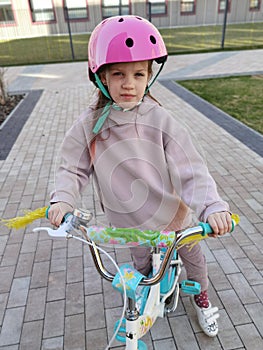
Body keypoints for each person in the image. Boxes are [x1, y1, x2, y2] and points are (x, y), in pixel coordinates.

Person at [48, 15, 232, 337]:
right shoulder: (90, 125)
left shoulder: (161, 120)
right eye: (118, 74)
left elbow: (191, 169)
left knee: (195, 260)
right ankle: (150, 291)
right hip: (129, 223)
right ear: (101, 76)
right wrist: (62, 200)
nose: (129, 83)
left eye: (138, 74)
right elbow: (72, 168)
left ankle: (202, 298)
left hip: (172, 218)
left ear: (150, 75)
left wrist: (212, 206)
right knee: (143, 270)